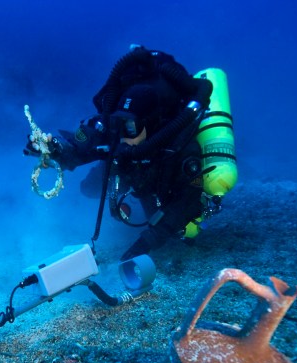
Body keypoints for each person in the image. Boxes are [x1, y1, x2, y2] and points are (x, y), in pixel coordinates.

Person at [24, 45, 218, 261]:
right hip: (128, 168)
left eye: (131, 127)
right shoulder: (116, 127)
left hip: (161, 176)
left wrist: (147, 242)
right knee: (88, 189)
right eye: (119, 124)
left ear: (150, 124)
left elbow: (187, 201)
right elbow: (77, 151)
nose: (124, 134)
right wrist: (53, 149)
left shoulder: (180, 142)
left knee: (181, 230)